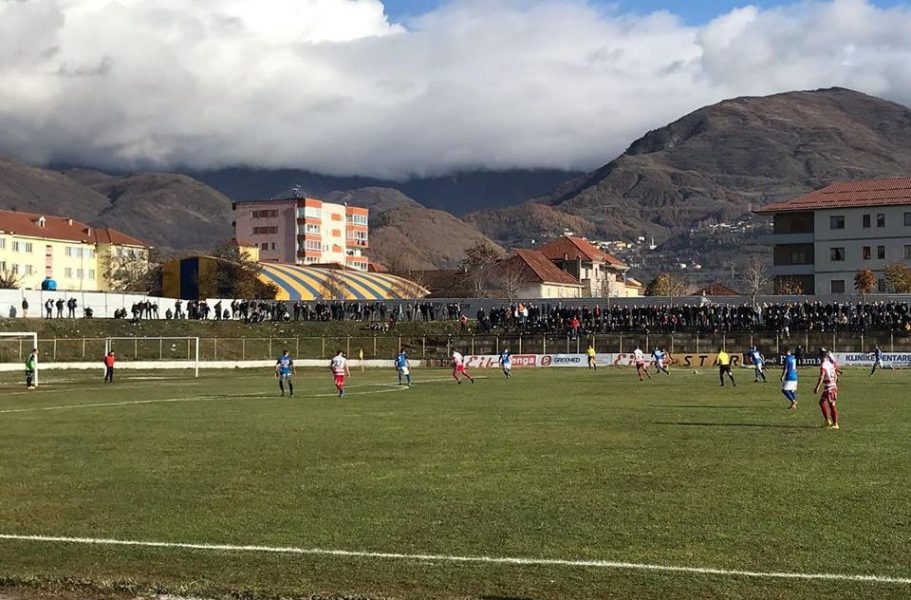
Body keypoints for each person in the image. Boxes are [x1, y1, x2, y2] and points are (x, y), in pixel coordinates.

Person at [813, 348, 841, 429]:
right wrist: (835, 382)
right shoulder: (830, 363)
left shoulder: (824, 365)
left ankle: (835, 424)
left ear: (821, 357)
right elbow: (835, 375)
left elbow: (822, 376)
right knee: (821, 402)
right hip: (829, 387)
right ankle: (827, 421)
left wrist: (817, 387)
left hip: (830, 388)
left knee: (832, 405)